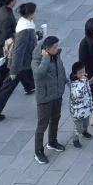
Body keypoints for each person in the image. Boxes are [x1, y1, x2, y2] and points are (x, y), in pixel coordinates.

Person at [33, 35, 67, 164]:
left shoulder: (56, 56)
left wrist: (66, 81)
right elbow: (39, 74)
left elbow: (61, 70)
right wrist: (46, 58)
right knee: (42, 125)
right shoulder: (36, 60)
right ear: (47, 49)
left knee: (55, 119)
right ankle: (38, 151)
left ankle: (52, 141)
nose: (57, 49)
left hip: (57, 95)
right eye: (55, 47)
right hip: (45, 98)